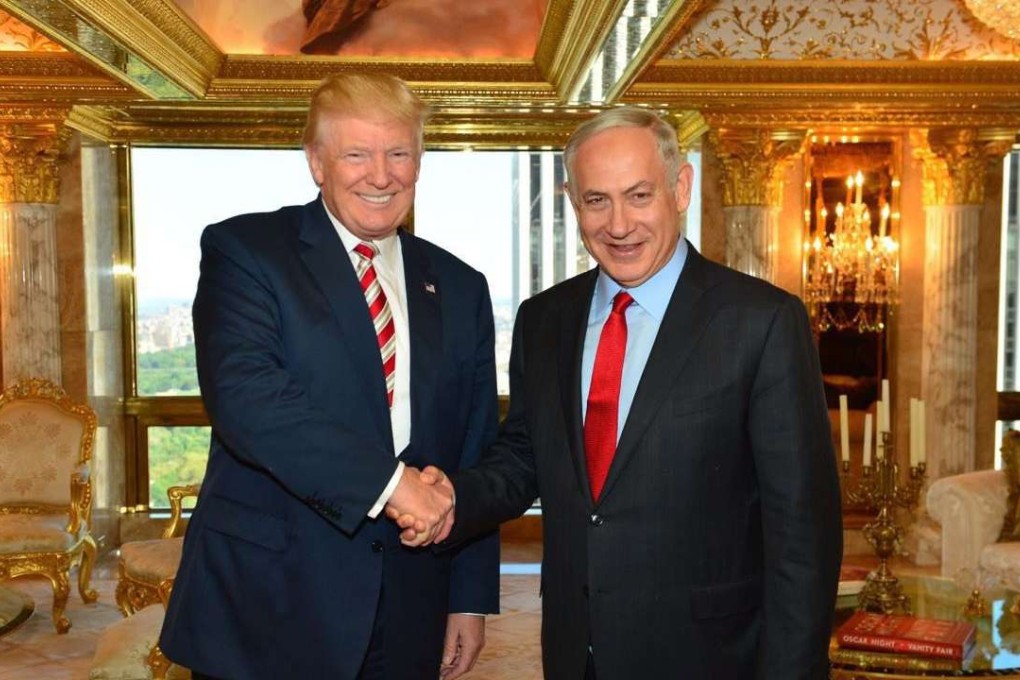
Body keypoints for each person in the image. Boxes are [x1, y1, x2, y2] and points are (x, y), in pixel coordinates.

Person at [403, 107, 843, 679]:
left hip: (711, 657)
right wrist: (454, 499)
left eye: (639, 196)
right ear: (572, 201)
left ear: (680, 188)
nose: (618, 224)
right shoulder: (544, 320)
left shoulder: (761, 321)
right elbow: (525, 457)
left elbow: (803, 535)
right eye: (596, 200)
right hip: (576, 651)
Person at [160, 72, 500, 680]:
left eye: (399, 154)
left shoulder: (460, 285)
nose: (381, 175)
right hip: (270, 603)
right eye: (356, 154)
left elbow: (473, 445)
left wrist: (468, 597)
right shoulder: (246, 251)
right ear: (317, 162)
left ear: (419, 162)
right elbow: (248, 399)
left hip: (411, 604)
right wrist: (392, 486)